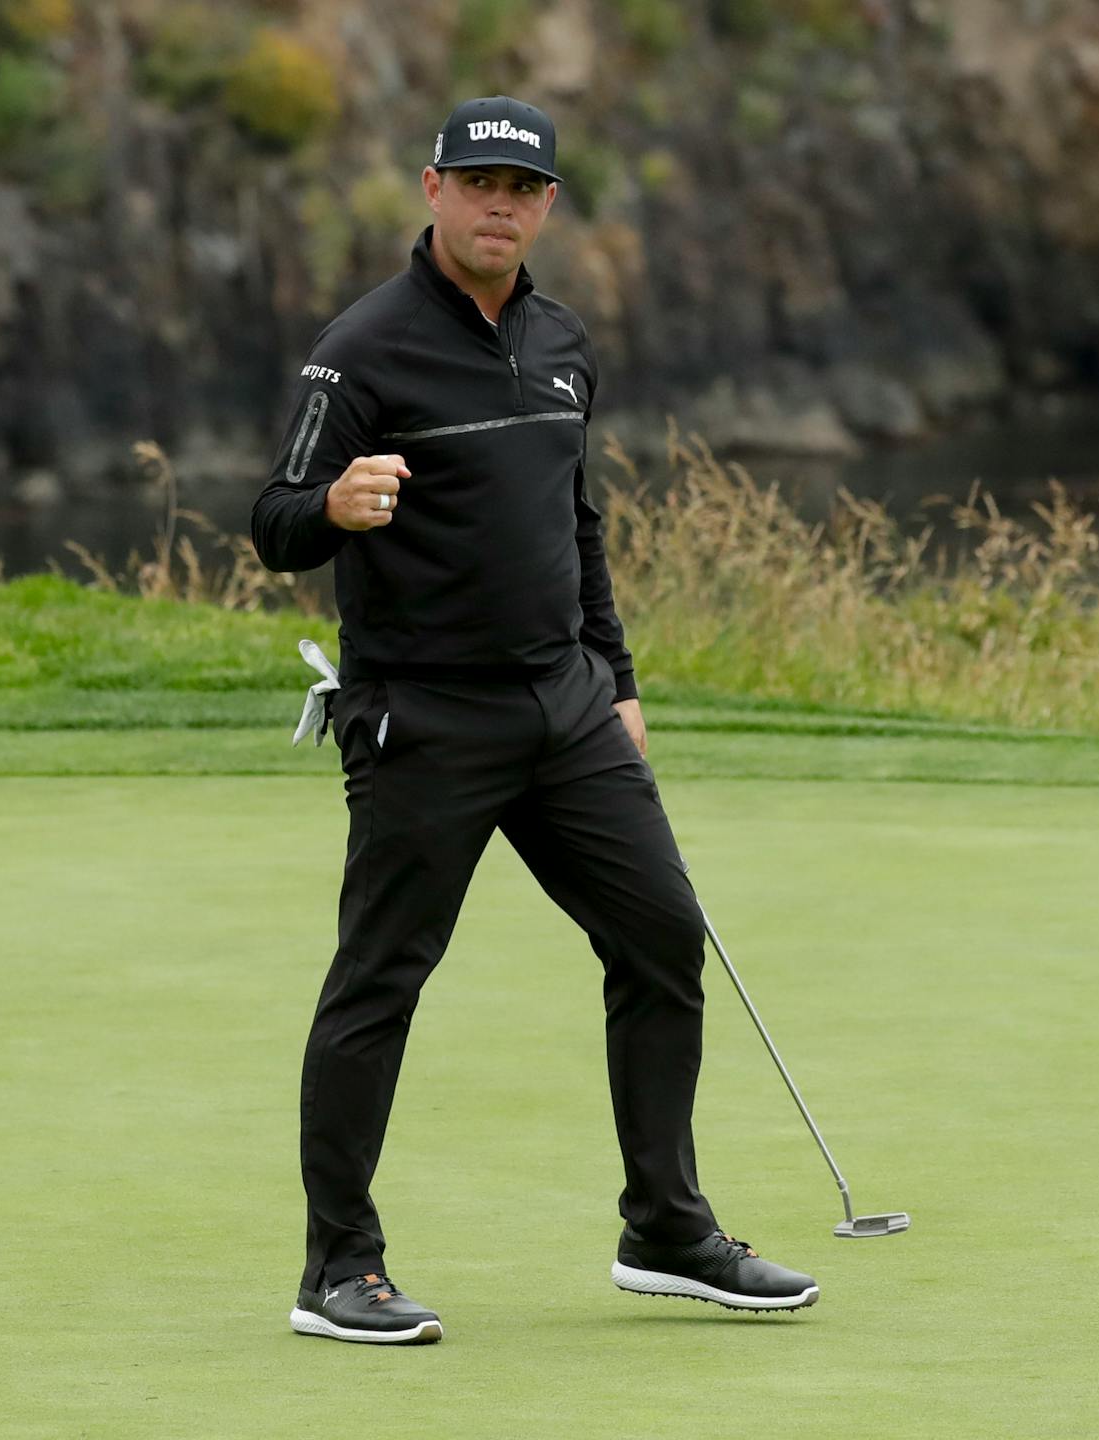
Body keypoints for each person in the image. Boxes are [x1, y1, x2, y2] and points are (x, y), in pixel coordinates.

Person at [251, 96, 820, 1346]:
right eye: (477, 184)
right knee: (381, 981)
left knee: (664, 941)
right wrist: (336, 505)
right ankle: (337, 1269)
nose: (500, 206)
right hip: (424, 716)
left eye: (523, 189)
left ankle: (664, 1229)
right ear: (433, 190)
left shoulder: (563, 339)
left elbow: (576, 524)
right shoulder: (363, 350)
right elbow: (273, 518)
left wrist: (614, 680)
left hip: (564, 709)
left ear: (547, 205)